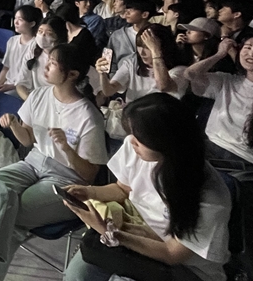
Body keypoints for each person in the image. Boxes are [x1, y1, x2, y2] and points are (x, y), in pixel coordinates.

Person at [0, 44, 108, 281]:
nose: (46, 66)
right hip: (33, 162)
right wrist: (14, 124)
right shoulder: (39, 95)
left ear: (72, 74)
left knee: (6, 210)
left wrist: (67, 149)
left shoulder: (88, 116)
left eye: (53, 63)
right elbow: (27, 139)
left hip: (67, 177)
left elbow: (89, 175)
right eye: (48, 60)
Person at [62, 93, 232, 281]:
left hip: (185, 269)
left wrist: (110, 233)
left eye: (139, 138)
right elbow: (122, 189)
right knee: (77, 275)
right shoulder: (136, 149)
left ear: (165, 142)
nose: (131, 141)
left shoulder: (210, 198)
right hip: (140, 232)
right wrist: (90, 192)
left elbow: (172, 254)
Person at [184, 35, 253, 171]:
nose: (251, 54)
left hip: (242, 158)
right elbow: (190, 74)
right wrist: (220, 54)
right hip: (210, 146)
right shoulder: (228, 80)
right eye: (248, 47)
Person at [95, 24, 186, 110]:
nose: (142, 53)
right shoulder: (133, 62)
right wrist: (102, 74)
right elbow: (109, 91)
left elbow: (163, 86)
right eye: (139, 46)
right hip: (133, 116)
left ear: (162, 47)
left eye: (147, 47)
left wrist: (156, 52)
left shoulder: (180, 70)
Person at [0, 5, 42, 95]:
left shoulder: (36, 45)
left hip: (23, 88)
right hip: (7, 84)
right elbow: (6, 67)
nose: (16, 22)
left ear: (32, 24)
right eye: (15, 18)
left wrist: (11, 86)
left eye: (20, 20)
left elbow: (29, 77)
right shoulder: (12, 40)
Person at [16, 16, 69, 100]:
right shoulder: (33, 52)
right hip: (35, 100)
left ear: (59, 36)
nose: (42, 36)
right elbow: (21, 83)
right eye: (40, 31)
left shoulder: (67, 57)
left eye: (49, 33)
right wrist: (29, 101)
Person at [105, 0, 153, 75]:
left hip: (148, 78)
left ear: (144, 14)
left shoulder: (156, 33)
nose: (126, 13)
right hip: (121, 79)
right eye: (126, 10)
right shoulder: (117, 35)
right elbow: (109, 60)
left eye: (131, 11)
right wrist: (112, 77)